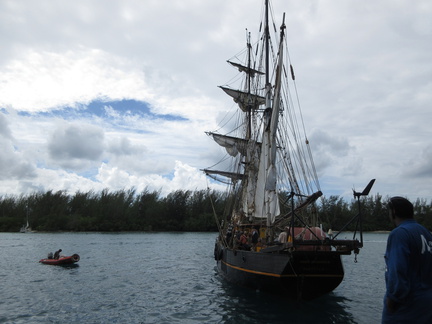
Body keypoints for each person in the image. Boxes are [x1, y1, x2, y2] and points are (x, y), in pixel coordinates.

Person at [382, 196, 432, 323]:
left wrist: (393, 298)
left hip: (406, 307)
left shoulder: (399, 234)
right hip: (426, 305)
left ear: (393, 212)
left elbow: (397, 269)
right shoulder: (425, 232)